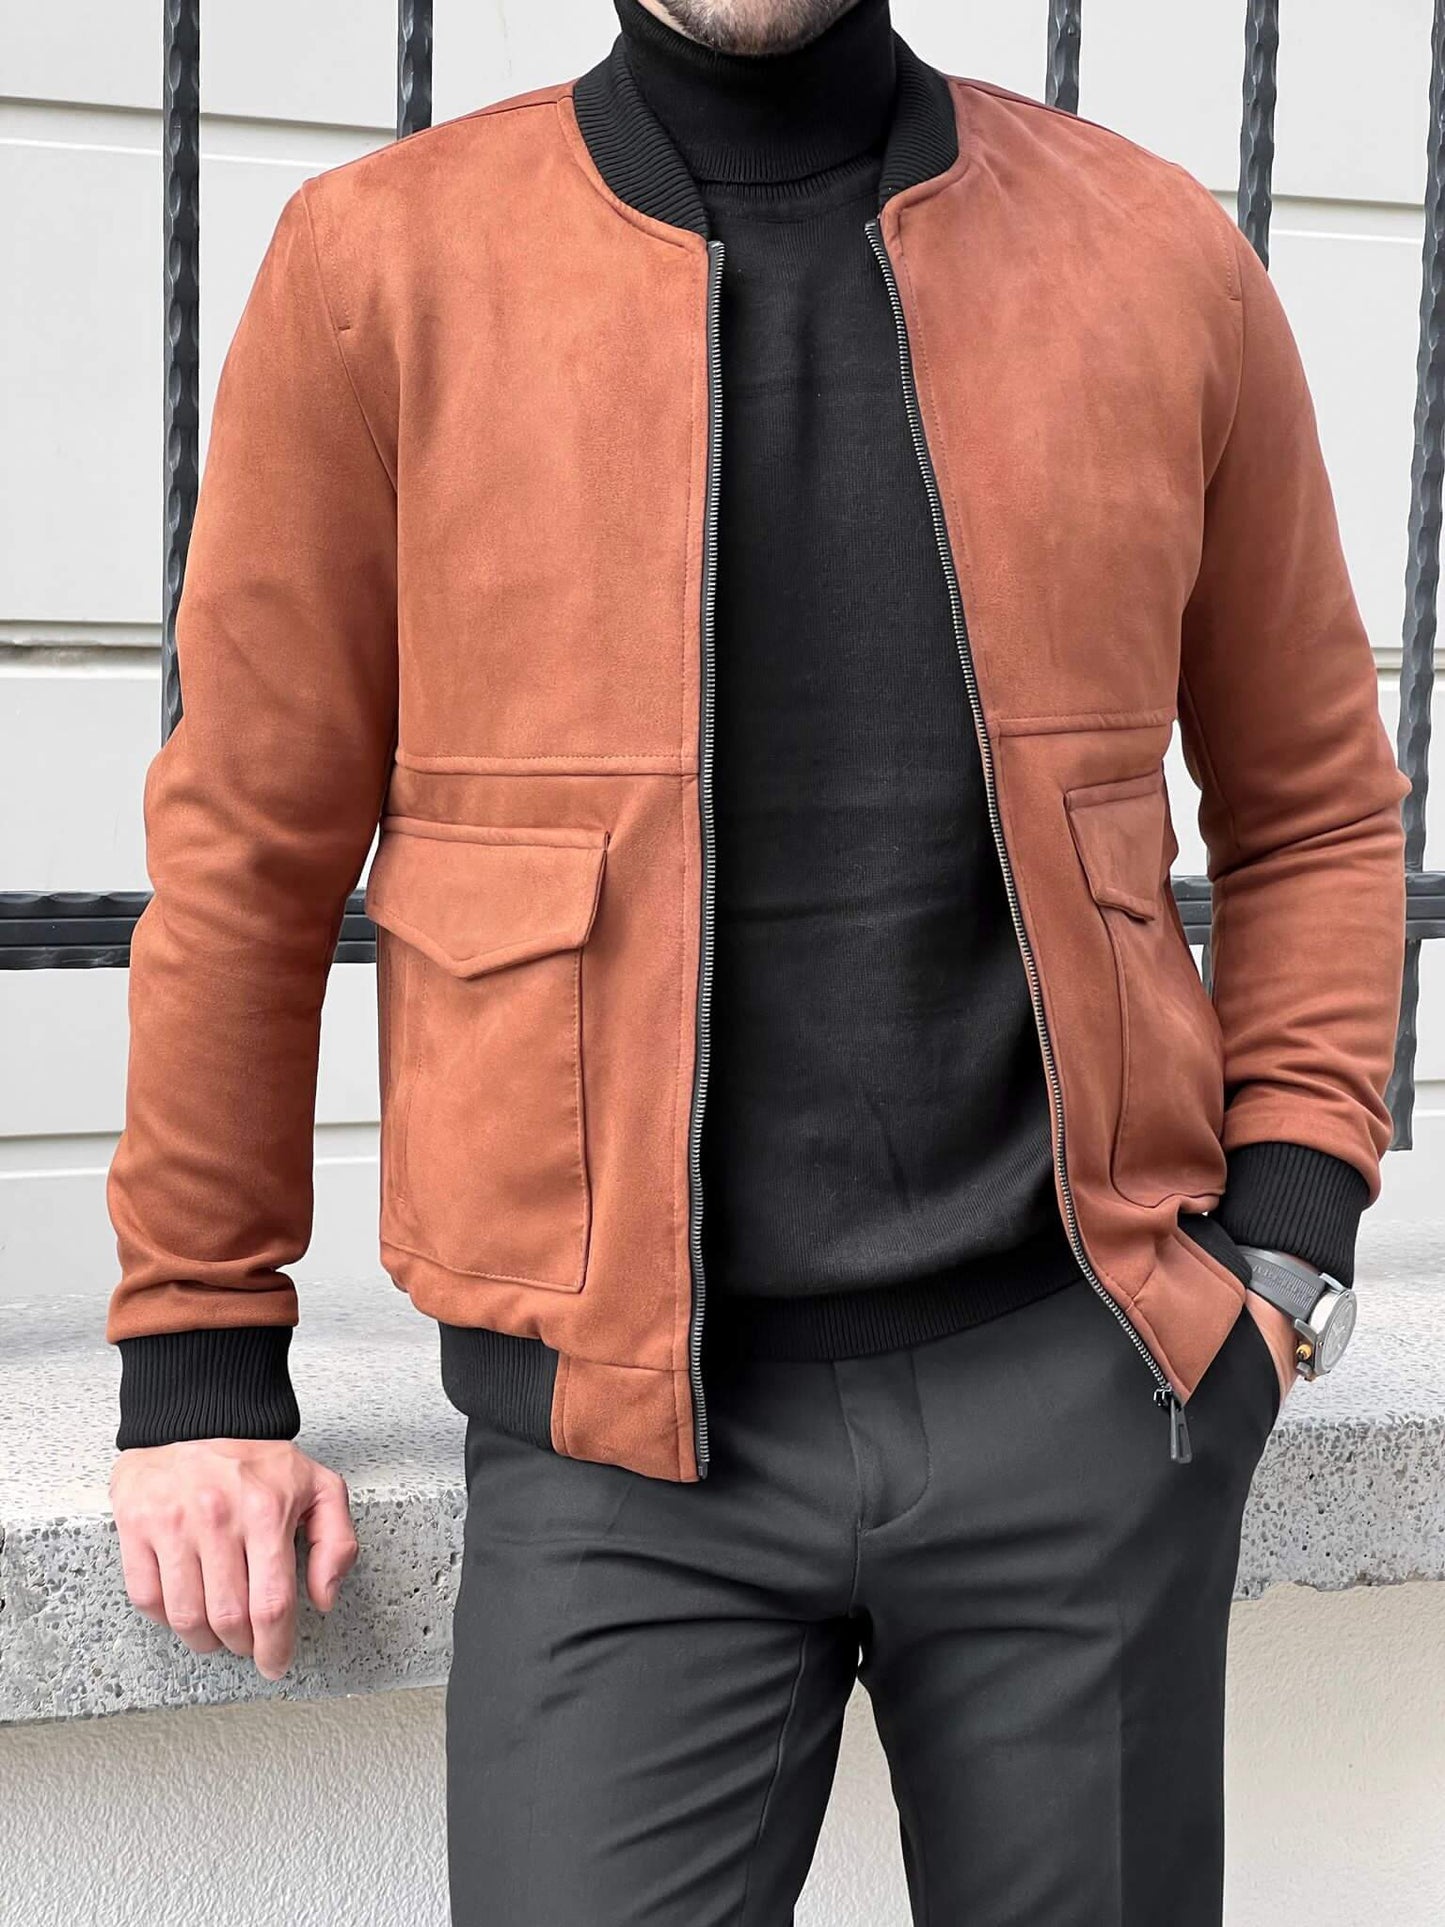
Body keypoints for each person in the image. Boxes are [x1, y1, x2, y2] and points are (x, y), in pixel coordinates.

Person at [105, 0, 1409, 1919]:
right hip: (613, 1447)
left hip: (1080, 1396)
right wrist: (200, 1356)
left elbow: (1312, 801)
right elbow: (248, 854)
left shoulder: (1152, 255)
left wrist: (1285, 1244)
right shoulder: (381, 267)